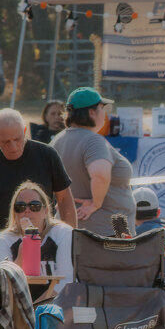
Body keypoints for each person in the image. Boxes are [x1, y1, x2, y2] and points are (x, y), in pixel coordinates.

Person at [0, 108, 76, 258]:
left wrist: (71, 241)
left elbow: (64, 199)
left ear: (24, 131)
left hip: (43, 243)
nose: (13, 147)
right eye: (5, 142)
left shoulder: (47, 155)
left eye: (17, 139)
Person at [51, 87, 136, 237]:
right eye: (102, 108)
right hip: (106, 234)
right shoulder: (93, 141)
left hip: (69, 231)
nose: (105, 113)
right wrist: (95, 204)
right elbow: (100, 175)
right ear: (91, 112)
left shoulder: (57, 140)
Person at [0, 181, 74, 289]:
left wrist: (39, 305)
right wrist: (22, 255)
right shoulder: (4, 240)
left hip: (55, 303)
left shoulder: (63, 233)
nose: (27, 211)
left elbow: (66, 282)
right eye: (20, 207)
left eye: (35, 206)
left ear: (45, 211)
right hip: (16, 303)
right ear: (15, 213)